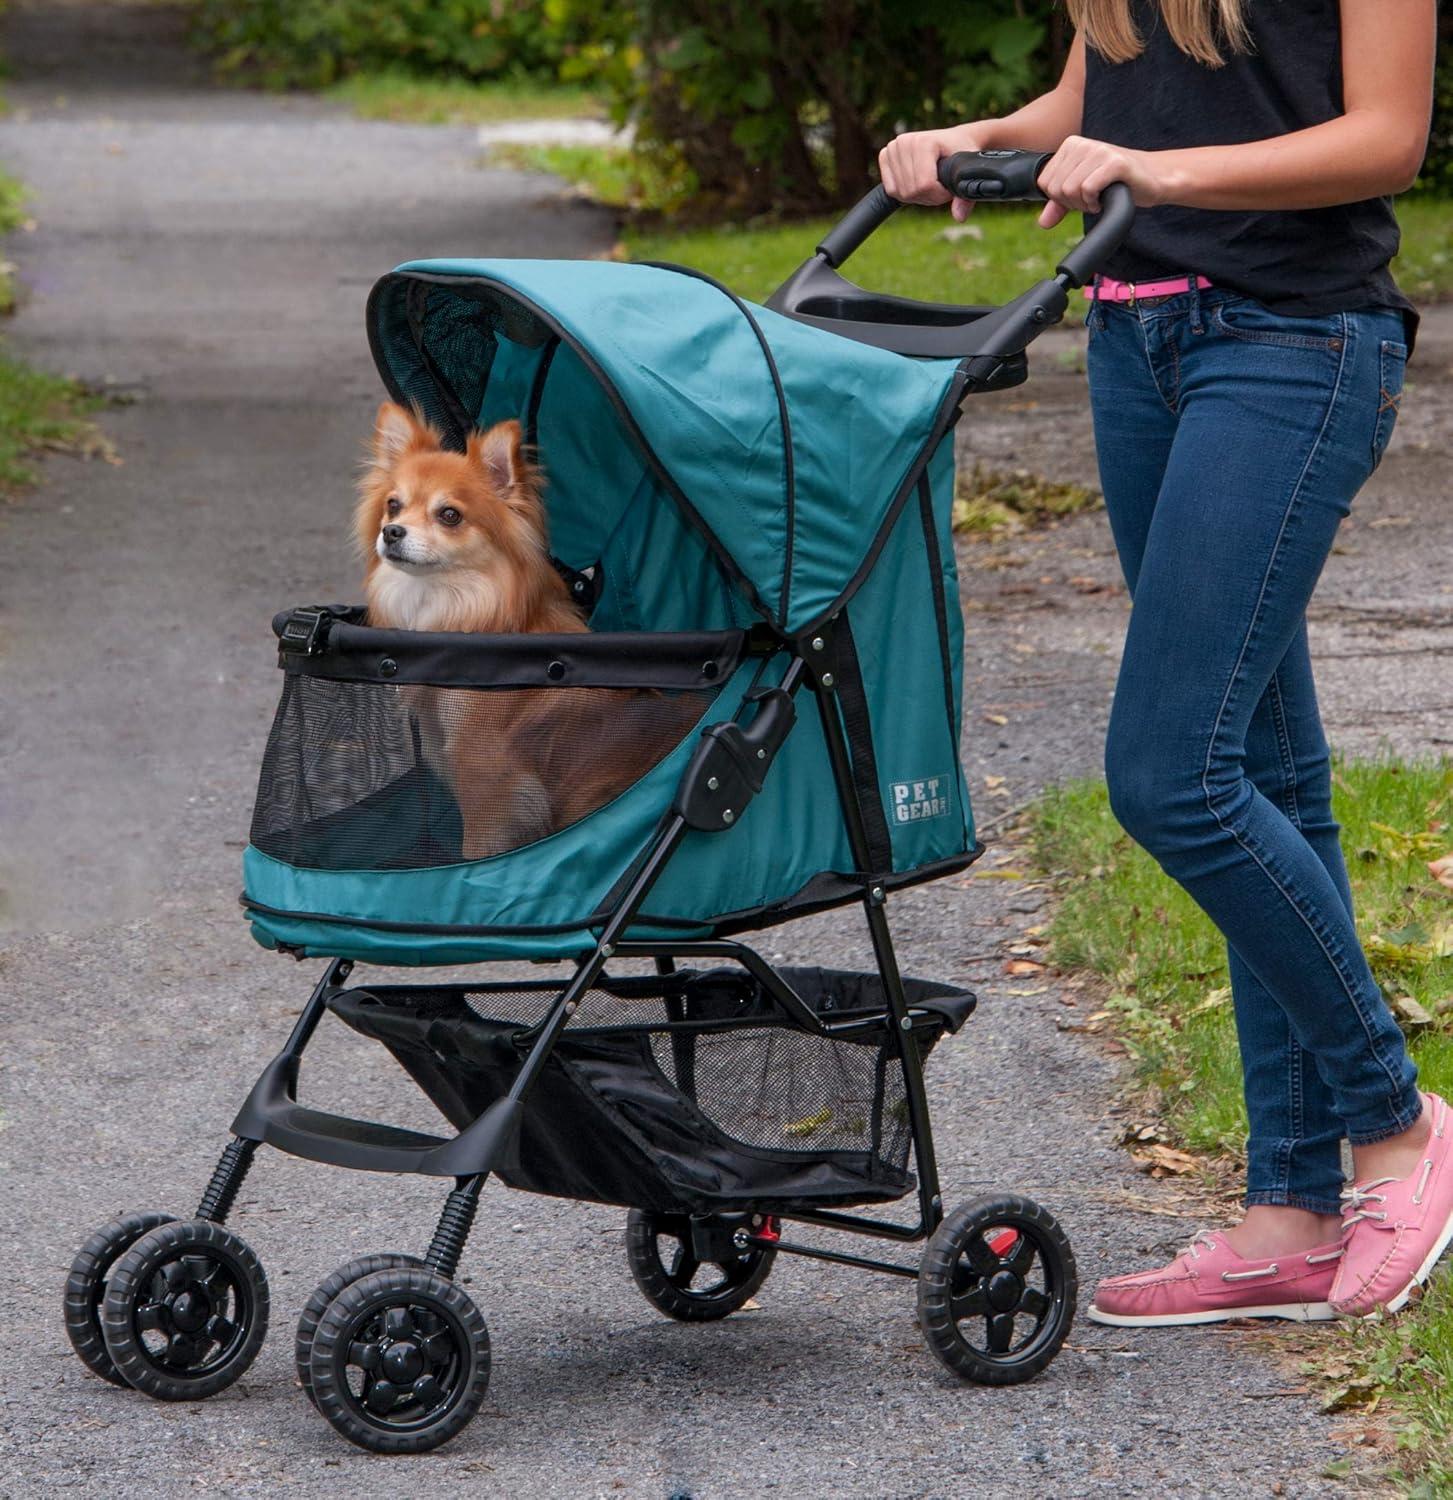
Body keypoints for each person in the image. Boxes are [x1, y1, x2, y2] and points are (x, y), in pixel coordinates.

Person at [881, 0, 1444, 1325]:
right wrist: (971, 139)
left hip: (1291, 346)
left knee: (1169, 774)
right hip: (1139, 337)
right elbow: (1101, 97)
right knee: (1262, 775)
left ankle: (1396, 1119)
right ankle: (1292, 1214)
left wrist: (1155, 175)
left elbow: (1385, 136)